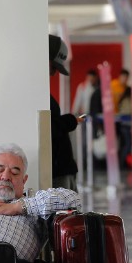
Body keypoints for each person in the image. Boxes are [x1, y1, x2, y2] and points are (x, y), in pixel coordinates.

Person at [49, 34, 84, 192]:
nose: (53, 73)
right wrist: (71, 121)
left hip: (60, 167)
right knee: (66, 215)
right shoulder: (32, 92)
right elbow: (49, 128)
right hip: (58, 171)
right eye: (53, 67)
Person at [116, 85, 132, 169]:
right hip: (126, 125)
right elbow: (129, 111)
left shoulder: (123, 100)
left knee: (124, 145)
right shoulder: (128, 101)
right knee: (127, 145)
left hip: (122, 125)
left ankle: (122, 163)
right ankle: (121, 164)